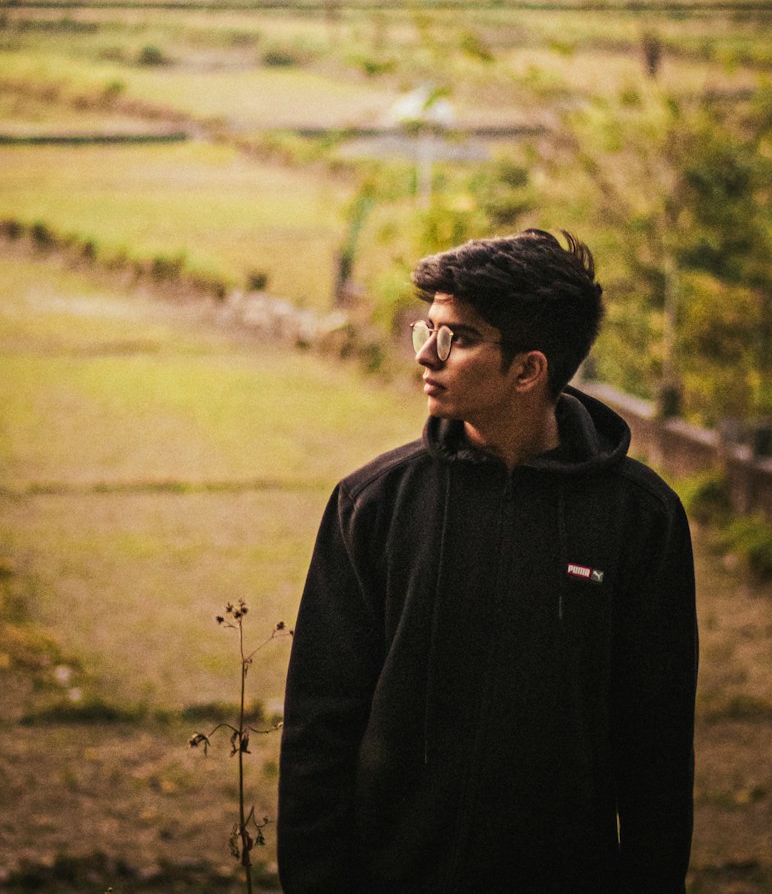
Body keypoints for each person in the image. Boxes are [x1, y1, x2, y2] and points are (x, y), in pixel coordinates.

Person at [277, 230, 698, 894]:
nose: (425, 354)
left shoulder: (641, 519)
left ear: (528, 371)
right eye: (428, 328)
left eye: (458, 338)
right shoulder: (371, 505)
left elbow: (657, 748)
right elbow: (318, 730)